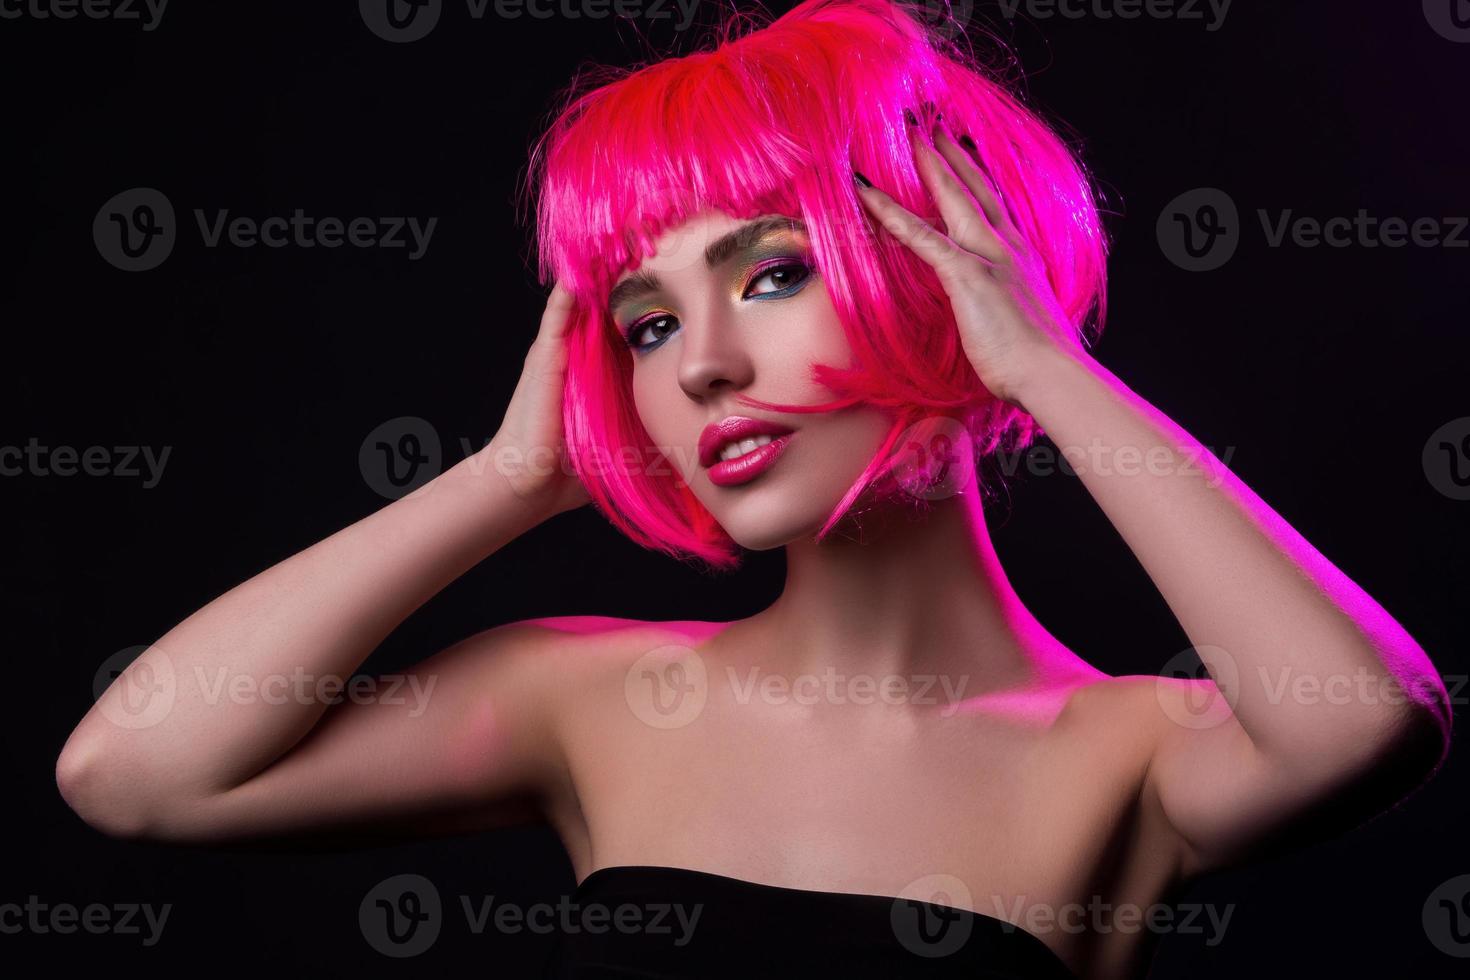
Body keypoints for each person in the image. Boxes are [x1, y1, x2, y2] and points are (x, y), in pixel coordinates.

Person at [56, 2, 1450, 977]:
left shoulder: (1126, 752)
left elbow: (1368, 722)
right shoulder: (580, 701)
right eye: (646, 323)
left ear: (950, 268)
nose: (704, 365)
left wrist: (1046, 368)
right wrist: (508, 479)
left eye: (772, 273)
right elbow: (131, 775)